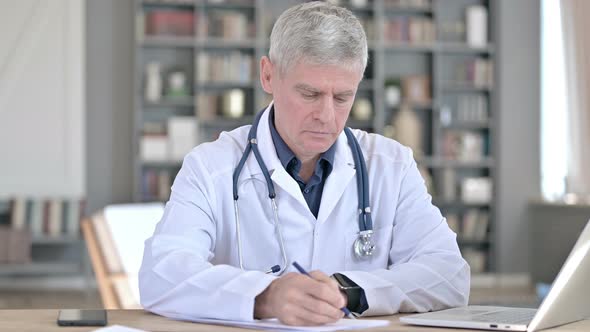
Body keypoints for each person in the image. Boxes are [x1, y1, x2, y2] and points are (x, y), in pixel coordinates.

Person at [139, 1, 470, 326]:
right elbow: (161, 274)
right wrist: (265, 297)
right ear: (268, 75)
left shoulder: (391, 165)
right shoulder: (210, 167)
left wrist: (350, 291)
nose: (326, 116)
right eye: (310, 94)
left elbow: (449, 275)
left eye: (342, 97)